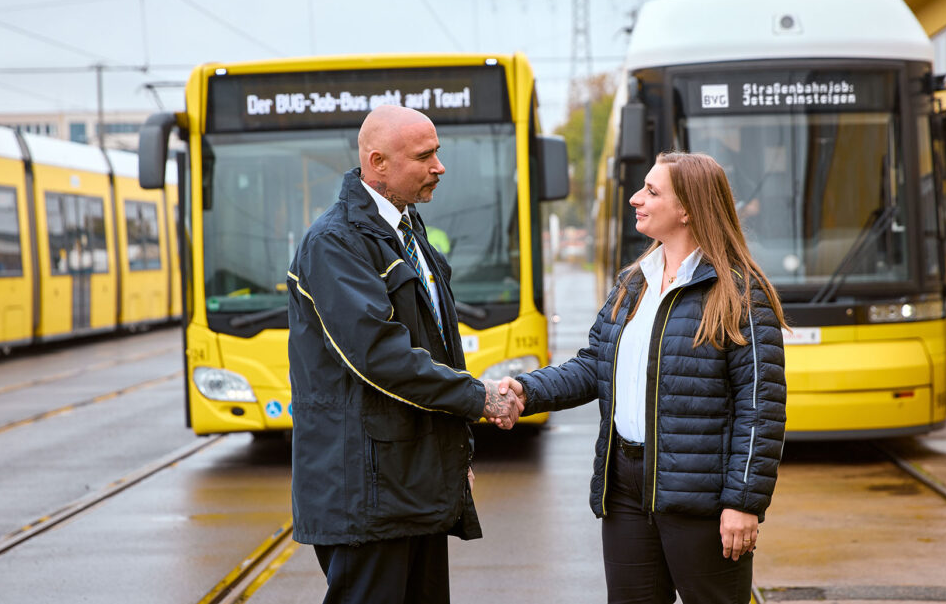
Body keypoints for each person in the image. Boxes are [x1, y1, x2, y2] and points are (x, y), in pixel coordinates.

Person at [502, 152, 787, 603]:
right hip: (626, 487)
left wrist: (744, 503)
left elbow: (761, 408)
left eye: (652, 191)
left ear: (688, 208)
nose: (636, 198)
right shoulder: (634, 282)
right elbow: (595, 364)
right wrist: (527, 390)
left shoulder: (740, 294)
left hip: (700, 494)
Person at [286, 105, 522, 604]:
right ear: (378, 162)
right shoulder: (335, 242)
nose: (439, 166)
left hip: (409, 483)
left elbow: (432, 349)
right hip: (367, 492)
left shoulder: (407, 231)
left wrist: (450, 453)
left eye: (438, 152)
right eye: (425, 155)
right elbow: (381, 356)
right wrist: (478, 398)